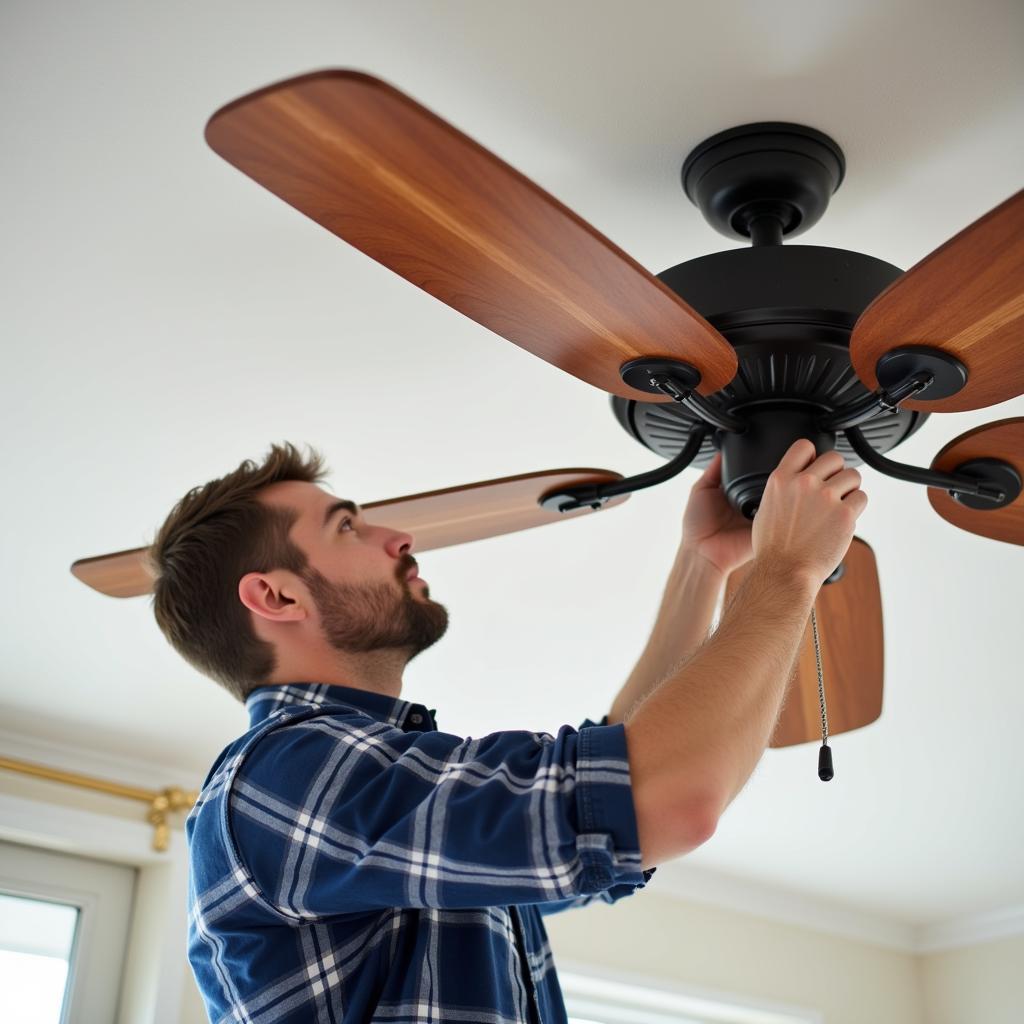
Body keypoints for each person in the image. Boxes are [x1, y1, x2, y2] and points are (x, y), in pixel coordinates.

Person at [152, 437, 866, 1023]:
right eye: (348, 526)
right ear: (275, 595)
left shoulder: (368, 791)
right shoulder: (287, 775)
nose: (397, 536)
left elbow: (612, 792)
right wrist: (787, 570)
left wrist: (704, 562)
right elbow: (664, 799)